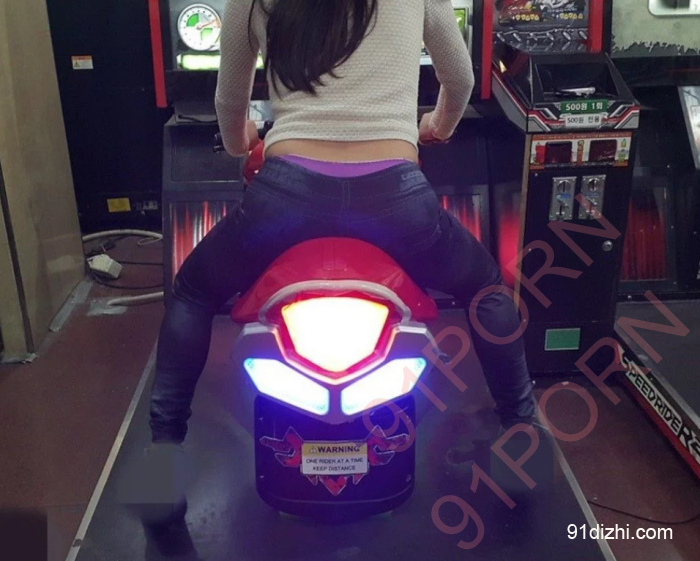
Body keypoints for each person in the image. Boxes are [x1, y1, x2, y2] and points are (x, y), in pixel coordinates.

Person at [149, 0, 536, 453]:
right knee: (486, 288)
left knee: (194, 293)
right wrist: (437, 126)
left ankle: (165, 443)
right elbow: (461, 79)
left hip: (285, 198)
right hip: (398, 200)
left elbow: (229, 101)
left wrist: (241, 142)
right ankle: (522, 425)